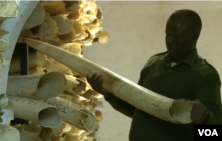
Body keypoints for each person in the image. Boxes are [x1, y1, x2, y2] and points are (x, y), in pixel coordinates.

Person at [86, 9, 222, 141]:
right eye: (167, 35)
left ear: (194, 36)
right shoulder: (154, 64)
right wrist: (109, 94)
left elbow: (214, 133)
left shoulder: (205, 74)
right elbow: (136, 109)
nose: (169, 41)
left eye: (176, 37)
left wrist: (205, 119)